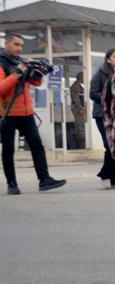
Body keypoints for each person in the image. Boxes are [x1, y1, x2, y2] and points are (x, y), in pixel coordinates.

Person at [0, 33, 66, 195]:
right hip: (6, 112)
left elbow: (35, 82)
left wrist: (40, 71)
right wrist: (17, 73)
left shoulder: (20, 62)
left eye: (21, 45)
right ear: (6, 43)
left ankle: (44, 180)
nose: (19, 48)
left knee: (37, 145)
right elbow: (1, 89)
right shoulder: (1, 63)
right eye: (16, 44)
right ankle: (12, 184)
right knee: (8, 150)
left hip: (26, 112)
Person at [89, 48, 115, 189]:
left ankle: (113, 178)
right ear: (108, 59)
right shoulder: (100, 74)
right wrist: (108, 98)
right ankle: (111, 178)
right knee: (110, 146)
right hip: (103, 115)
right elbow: (93, 93)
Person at [69, 71, 86, 149]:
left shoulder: (79, 86)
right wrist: (80, 108)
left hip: (81, 108)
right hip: (77, 108)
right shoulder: (75, 86)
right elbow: (76, 98)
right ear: (80, 77)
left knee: (82, 125)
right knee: (80, 126)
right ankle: (80, 146)